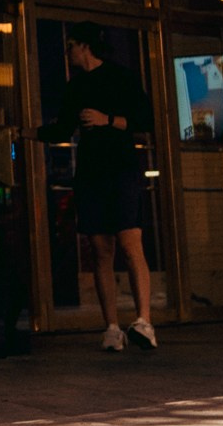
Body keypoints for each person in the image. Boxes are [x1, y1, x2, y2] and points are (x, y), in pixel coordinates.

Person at [57, 27, 158, 351]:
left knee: (131, 244)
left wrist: (107, 119)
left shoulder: (120, 77)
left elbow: (146, 119)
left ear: (85, 46)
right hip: (91, 173)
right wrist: (21, 133)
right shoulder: (76, 86)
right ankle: (112, 327)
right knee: (101, 250)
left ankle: (144, 322)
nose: (67, 52)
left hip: (121, 170)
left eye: (71, 45)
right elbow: (61, 127)